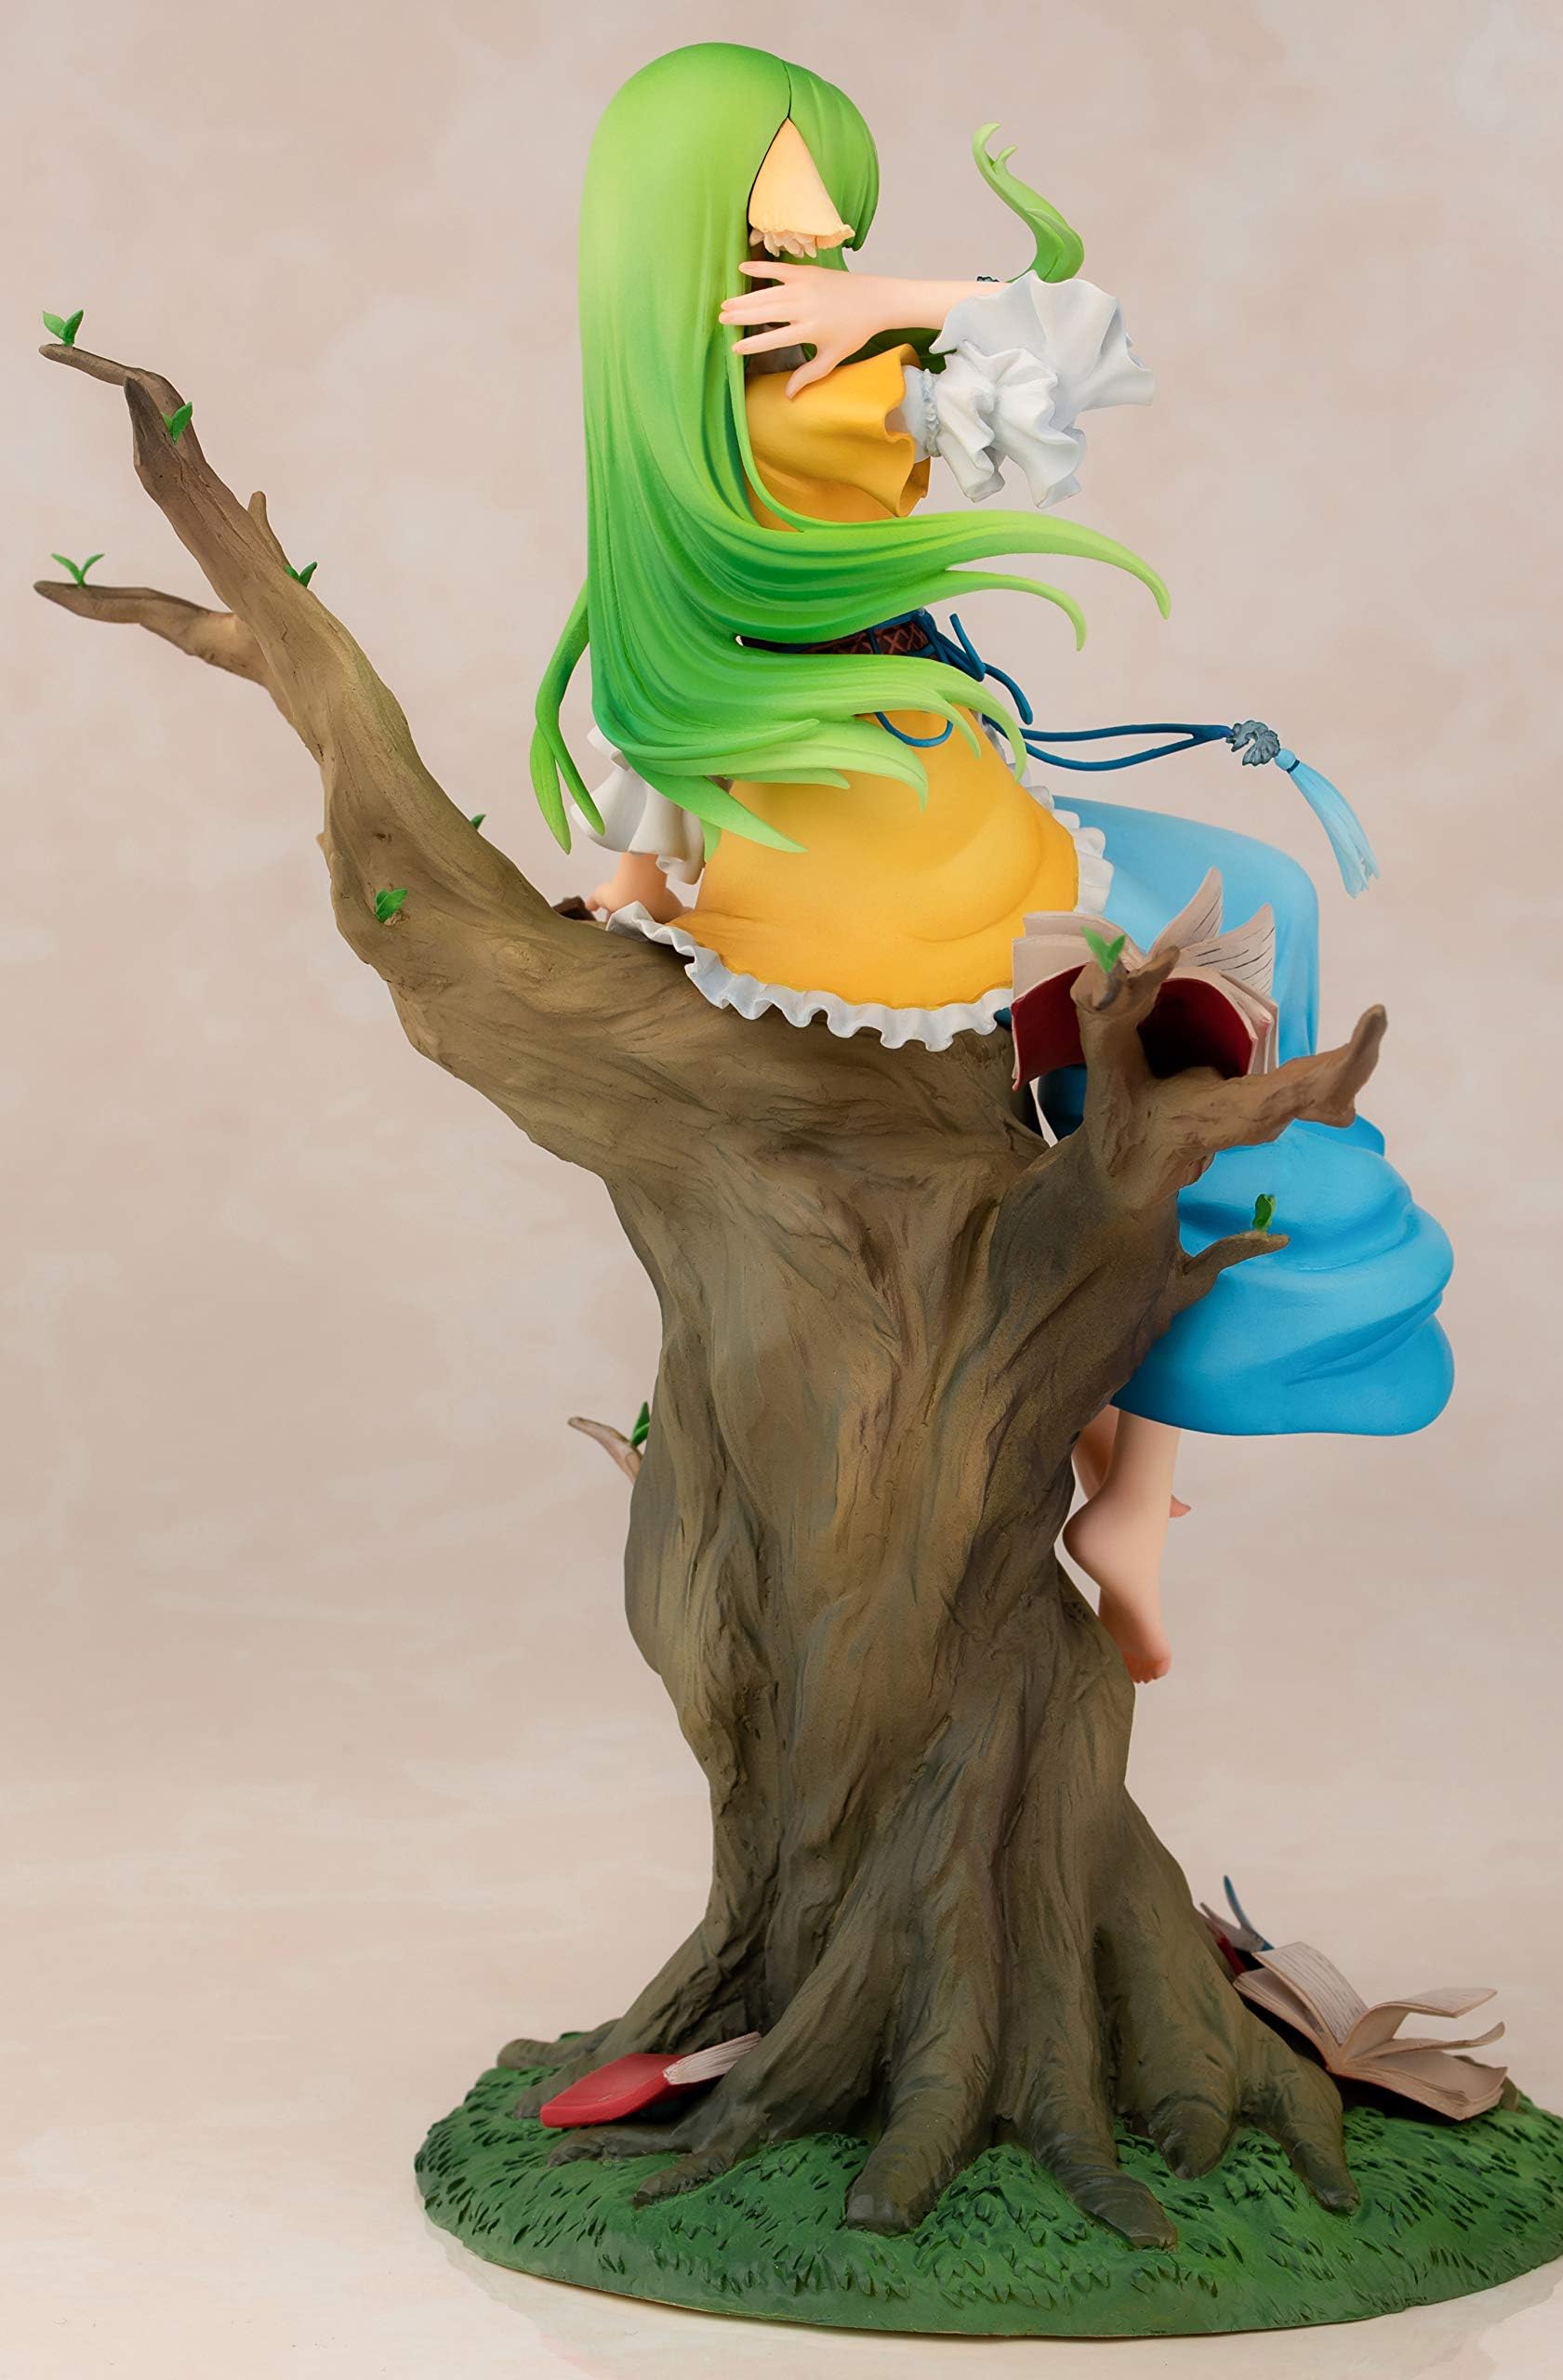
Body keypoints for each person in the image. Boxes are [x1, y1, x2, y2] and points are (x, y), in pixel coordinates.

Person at [538, 41, 1453, 1681]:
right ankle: (1135, 1474)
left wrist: (638, 880)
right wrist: (903, 299)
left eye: (832, 233)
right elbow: (1081, 343)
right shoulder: (809, 379)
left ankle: (1121, 1468)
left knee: (1230, 940)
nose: (821, 255)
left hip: (866, 815)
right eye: (789, 225)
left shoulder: (674, 420)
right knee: (1201, 998)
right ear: (702, 210)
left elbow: (656, 692)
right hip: (905, 839)